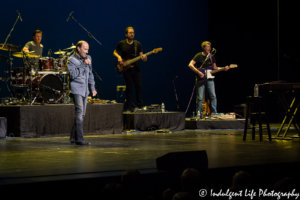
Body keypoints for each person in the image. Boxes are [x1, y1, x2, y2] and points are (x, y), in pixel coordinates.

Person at [68, 41, 97, 145]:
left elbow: (90, 74)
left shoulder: (88, 58)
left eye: (87, 49)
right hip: (76, 88)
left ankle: (73, 137)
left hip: (85, 89)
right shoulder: (71, 60)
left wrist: (92, 87)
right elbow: (73, 75)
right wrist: (82, 65)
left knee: (82, 114)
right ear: (78, 48)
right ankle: (79, 139)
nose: (87, 51)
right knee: (79, 113)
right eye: (85, 49)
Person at [188, 41, 229, 116]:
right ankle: (199, 113)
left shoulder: (211, 56)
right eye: (207, 46)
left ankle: (214, 113)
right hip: (201, 78)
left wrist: (223, 68)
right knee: (200, 97)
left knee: (213, 96)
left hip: (210, 79)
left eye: (210, 47)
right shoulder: (198, 55)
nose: (209, 48)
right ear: (203, 47)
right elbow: (190, 65)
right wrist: (199, 72)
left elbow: (215, 68)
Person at [113, 27, 147, 112]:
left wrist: (144, 58)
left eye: (133, 33)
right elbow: (114, 52)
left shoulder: (137, 44)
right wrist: (119, 57)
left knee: (139, 87)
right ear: (126, 34)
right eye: (130, 33)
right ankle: (129, 108)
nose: (132, 34)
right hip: (126, 69)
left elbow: (142, 56)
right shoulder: (121, 43)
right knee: (129, 88)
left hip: (136, 69)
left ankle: (140, 106)